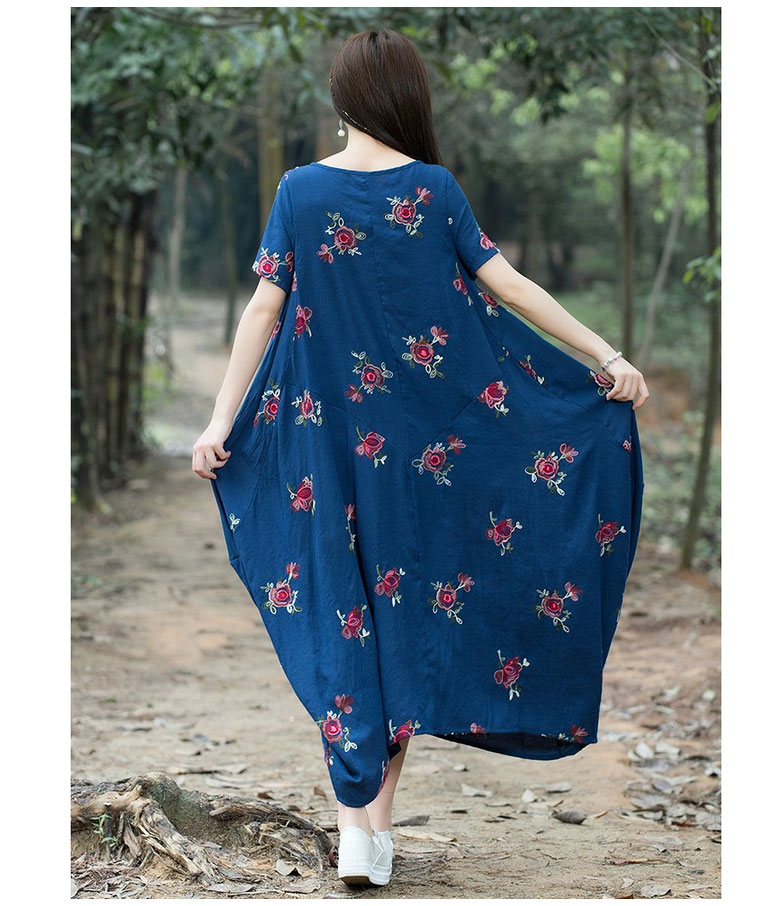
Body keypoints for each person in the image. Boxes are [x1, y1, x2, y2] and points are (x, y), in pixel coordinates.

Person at [192, 28, 648, 887]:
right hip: (427, 460)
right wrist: (605, 356)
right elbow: (508, 285)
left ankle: (359, 830)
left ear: (342, 99)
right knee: (399, 622)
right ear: (408, 97)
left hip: (329, 455)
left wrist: (220, 422)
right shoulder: (433, 191)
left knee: (344, 614)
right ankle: (371, 831)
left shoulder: (300, 190)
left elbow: (262, 309)